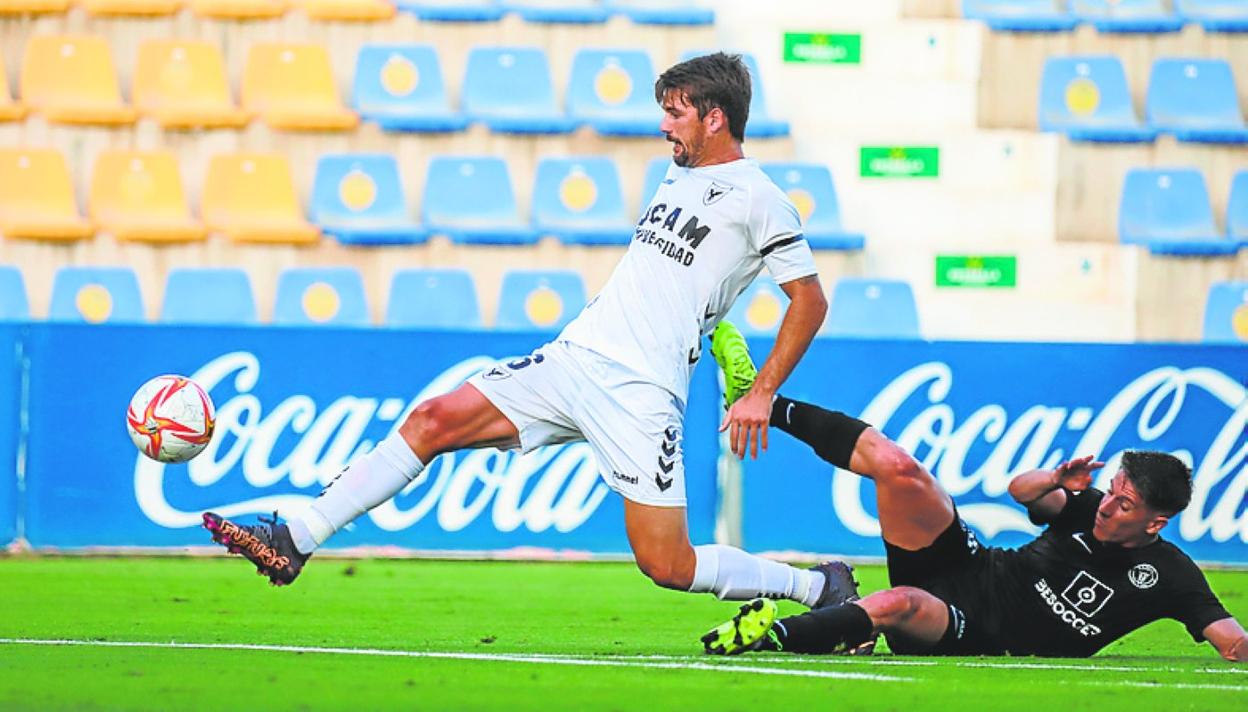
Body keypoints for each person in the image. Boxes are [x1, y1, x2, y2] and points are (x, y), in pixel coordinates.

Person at [202, 53, 858, 610]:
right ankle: (297, 537)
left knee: (667, 564)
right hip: (573, 358)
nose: (664, 126)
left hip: (641, 391)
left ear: (716, 118)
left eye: (676, 113)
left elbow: (809, 299)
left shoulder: (760, 197)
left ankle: (814, 586)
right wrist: (720, 331)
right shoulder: (680, 170)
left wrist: (761, 390)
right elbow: (692, 278)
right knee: (433, 419)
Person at [700, 322, 1247, 661]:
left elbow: (1232, 640)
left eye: (1124, 504)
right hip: (973, 564)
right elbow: (1022, 491)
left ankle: (778, 633)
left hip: (982, 629)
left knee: (900, 603)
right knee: (901, 468)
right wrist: (1058, 479)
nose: (1108, 505)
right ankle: (763, 402)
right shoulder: (1086, 507)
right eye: (1113, 490)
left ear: (1155, 523)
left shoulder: (1174, 575)